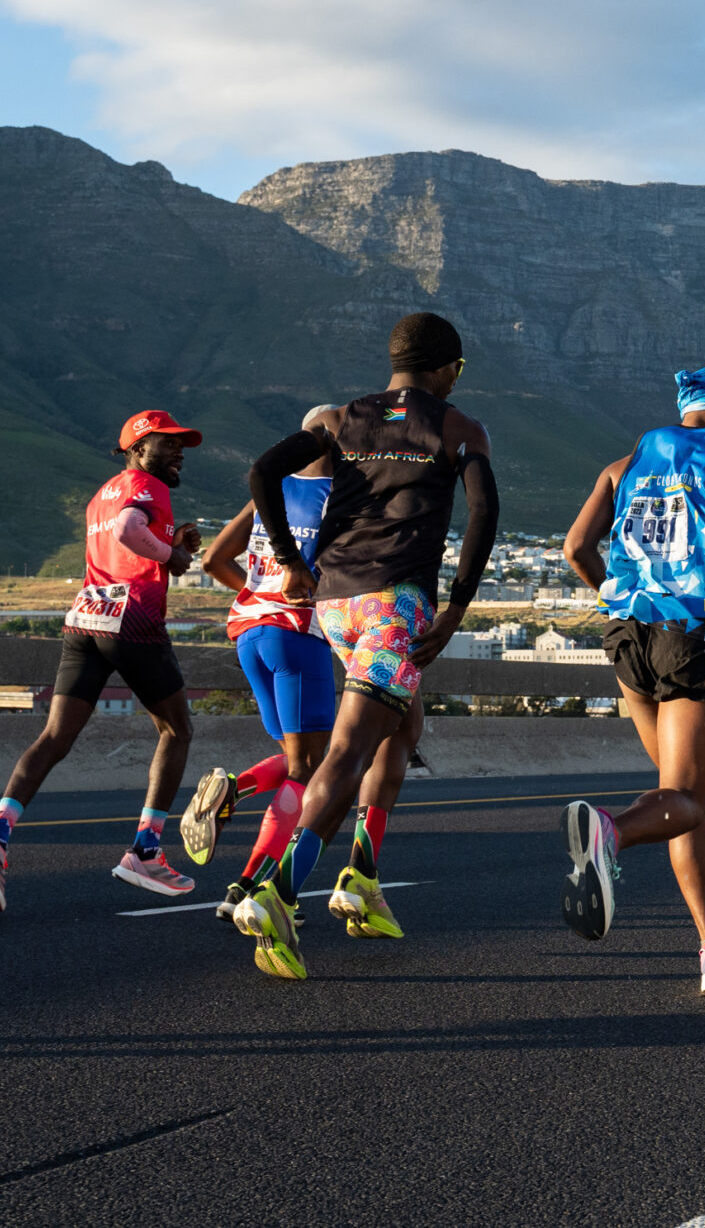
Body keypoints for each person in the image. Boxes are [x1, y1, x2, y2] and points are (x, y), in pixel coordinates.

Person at [226, 314, 499, 980]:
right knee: (348, 751)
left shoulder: (343, 418)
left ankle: (363, 878)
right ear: (452, 368)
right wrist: (458, 601)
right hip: (396, 605)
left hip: (335, 606)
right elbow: (484, 512)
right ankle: (278, 890)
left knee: (402, 726)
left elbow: (263, 471)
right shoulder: (459, 427)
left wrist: (292, 561)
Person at [557, 365, 705, 996]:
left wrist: (620, 592)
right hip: (696, 637)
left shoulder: (622, 466)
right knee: (688, 798)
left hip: (629, 638)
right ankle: (609, 833)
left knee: (678, 800)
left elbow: (575, 547)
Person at [0, 411, 204, 912]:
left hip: (85, 619)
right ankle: (146, 850)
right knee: (176, 730)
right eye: (168, 443)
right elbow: (129, 530)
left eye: (182, 445)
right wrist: (168, 555)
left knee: (54, 737)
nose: (179, 451)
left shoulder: (103, 492)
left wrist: (172, 545)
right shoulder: (145, 483)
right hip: (131, 620)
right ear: (138, 448)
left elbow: (120, 538)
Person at [181, 406, 414, 934]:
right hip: (297, 636)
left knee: (298, 764)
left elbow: (216, 560)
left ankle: (243, 884)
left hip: (250, 633)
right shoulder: (346, 496)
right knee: (317, 768)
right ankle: (238, 806)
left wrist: (265, 592)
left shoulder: (276, 488)